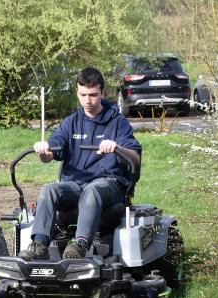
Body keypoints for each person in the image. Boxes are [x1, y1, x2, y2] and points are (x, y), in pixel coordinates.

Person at [18, 67, 141, 261]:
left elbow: (135, 158)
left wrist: (116, 147)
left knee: (92, 190)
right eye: (83, 95)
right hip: (75, 184)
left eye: (93, 95)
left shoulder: (118, 122)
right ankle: (39, 245)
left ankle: (80, 245)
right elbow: (50, 154)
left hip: (109, 184)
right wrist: (43, 151)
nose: (88, 100)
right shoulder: (71, 123)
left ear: (102, 92)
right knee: (49, 189)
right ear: (77, 92)